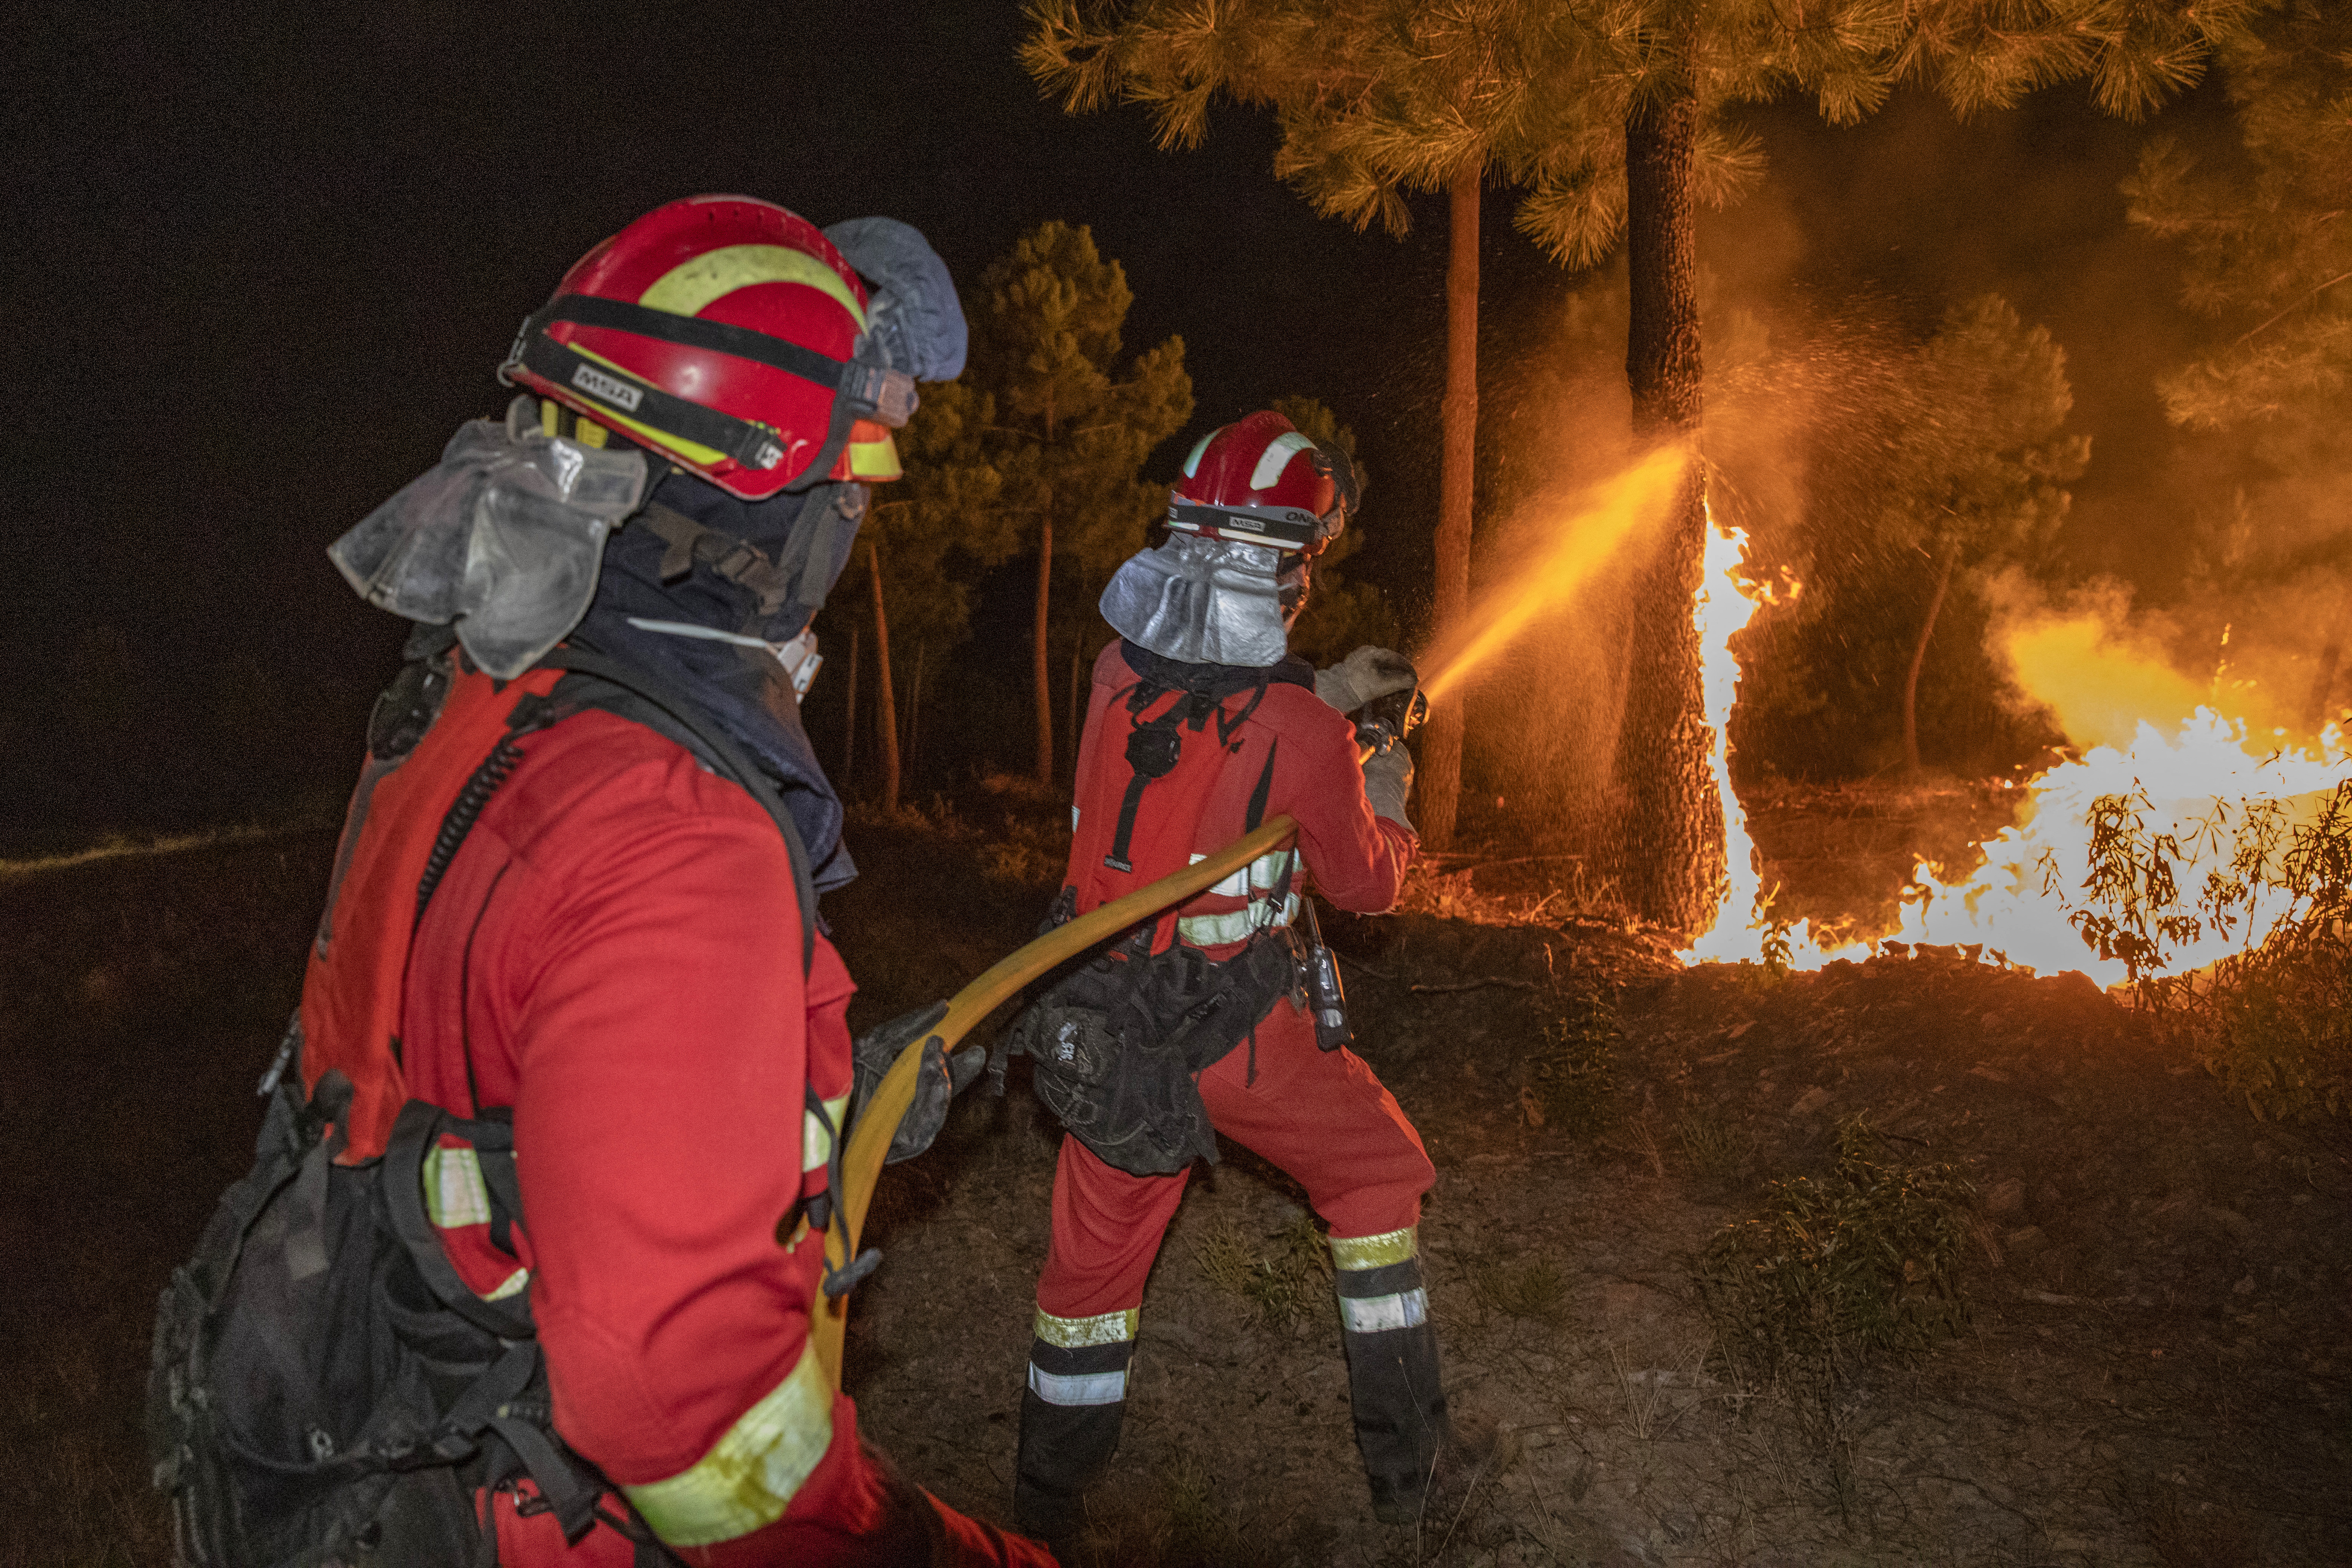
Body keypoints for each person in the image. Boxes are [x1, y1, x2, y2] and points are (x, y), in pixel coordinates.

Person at [148, 196, 1051, 1566]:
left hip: (371, 1411)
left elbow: (490, 1076)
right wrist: (914, 1548)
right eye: (853, 486)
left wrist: (796, 1099)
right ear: (776, 503)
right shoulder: (679, 827)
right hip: (533, 1512)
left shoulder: (477, 695)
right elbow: (672, 1410)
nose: (855, 520)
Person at [1002, 411, 1478, 1539]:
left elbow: (1213, 709)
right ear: (1288, 570)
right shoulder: (1305, 737)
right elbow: (1365, 887)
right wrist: (1386, 783)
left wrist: (1325, 691)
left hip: (1105, 1026)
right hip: (1235, 1035)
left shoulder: (1113, 674)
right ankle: (1416, 1482)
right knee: (1374, 1178)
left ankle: (1041, 1520)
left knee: (1090, 1279)